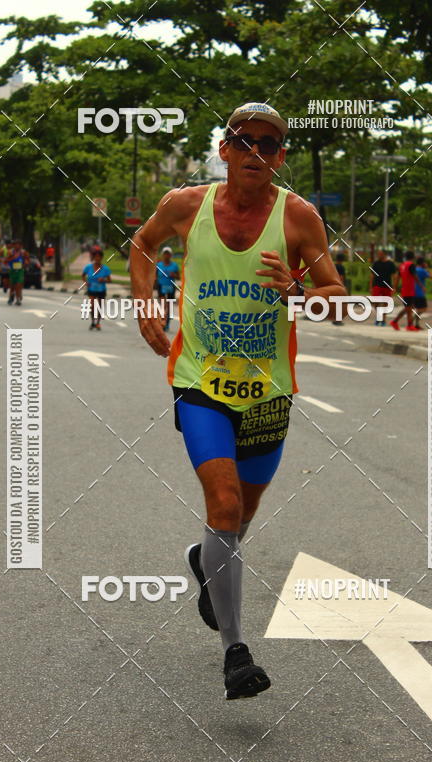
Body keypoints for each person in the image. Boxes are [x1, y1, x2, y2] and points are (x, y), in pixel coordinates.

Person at [131, 101, 347, 700]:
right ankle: (235, 650)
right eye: (243, 141)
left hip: (267, 392)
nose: (256, 152)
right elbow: (142, 245)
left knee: (240, 519)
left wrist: (301, 289)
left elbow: (336, 294)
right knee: (222, 503)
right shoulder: (186, 205)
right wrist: (147, 303)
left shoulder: (298, 217)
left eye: (269, 144)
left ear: (281, 157)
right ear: (224, 150)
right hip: (199, 381)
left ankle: (206, 561)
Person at [390, 250, 420, 331]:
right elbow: (415, 276)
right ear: (413, 257)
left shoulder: (402, 265)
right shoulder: (411, 265)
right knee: (409, 308)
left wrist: (395, 287)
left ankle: (397, 322)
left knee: (409, 308)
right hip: (409, 290)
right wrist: (421, 286)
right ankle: (407, 325)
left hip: (404, 290)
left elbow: (397, 277)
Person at [83, 248, 111, 329]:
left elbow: (109, 280)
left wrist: (103, 280)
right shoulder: (88, 267)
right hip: (91, 289)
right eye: (96, 257)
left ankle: (98, 323)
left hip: (101, 290)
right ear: (93, 257)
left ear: (101, 258)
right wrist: (86, 282)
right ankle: (92, 322)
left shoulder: (105, 269)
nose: (97, 258)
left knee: (99, 306)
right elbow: (83, 275)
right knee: (92, 305)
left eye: (99, 257)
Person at [369, 249, 398, 326]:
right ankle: (379, 316)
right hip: (377, 285)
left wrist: (394, 287)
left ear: (384, 254)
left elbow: (394, 276)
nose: (378, 255)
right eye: (378, 254)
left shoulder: (390, 264)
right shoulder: (376, 263)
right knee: (375, 302)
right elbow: (372, 275)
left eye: (380, 254)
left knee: (386, 303)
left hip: (387, 286)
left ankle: (383, 320)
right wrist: (370, 286)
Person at [155, 246, 180, 332]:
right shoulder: (159, 265)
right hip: (161, 286)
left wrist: (174, 275)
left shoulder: (174, 265)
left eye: (168, 254)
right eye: (165, 254)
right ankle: (162, 322)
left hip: (171, 286)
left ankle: (167, 323)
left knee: (169, 307)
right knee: (163, 305)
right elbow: (155, 275)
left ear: (171, 255)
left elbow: (179, 276)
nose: (166, 256)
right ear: (163, 255)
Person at [7, 239, 29, 306]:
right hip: (12, 270)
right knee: (12, 285)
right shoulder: (10, 252)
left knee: (18, 284)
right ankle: (11, 297)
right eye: (15, 245)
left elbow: (27, 260)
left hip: (20, 271)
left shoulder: (23, 252)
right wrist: (12, 257)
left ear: (21, 246)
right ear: (13, 246)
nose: (17, 246)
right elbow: (7, 260)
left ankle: (18, 299)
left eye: (18, 245)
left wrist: (25, 263)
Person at [413, 256, 431, 328]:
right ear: (423, 263)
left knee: (417, 308)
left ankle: (416, 324)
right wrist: (427, 268)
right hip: (420, 293)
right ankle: (413, 320)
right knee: (423, 308)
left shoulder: (414, 269)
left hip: (413, 291)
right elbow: (431, 276)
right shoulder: (423, 271)